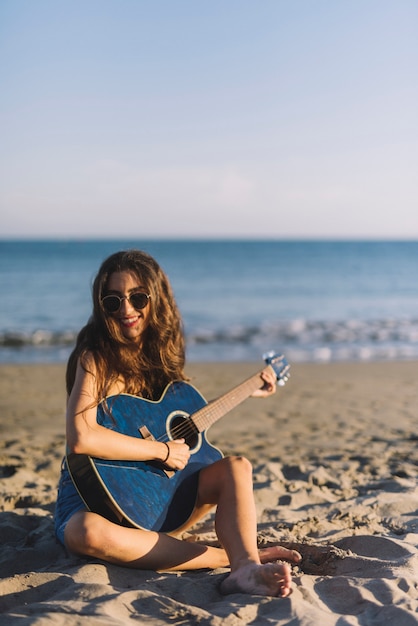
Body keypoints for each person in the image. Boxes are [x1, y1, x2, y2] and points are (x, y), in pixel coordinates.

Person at [54, 249, 301, 597]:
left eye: (138, 297)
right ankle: (229, 556)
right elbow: (80, 437)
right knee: (87, 533)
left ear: (157, 299)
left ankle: (243, 570)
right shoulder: (95, 357)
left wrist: (250, 390)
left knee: (237, 467)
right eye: (113, 301)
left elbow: (175, 414)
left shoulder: (161, 352)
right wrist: (160, 449)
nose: (126, 309)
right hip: (93, 496)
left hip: (157, 496)